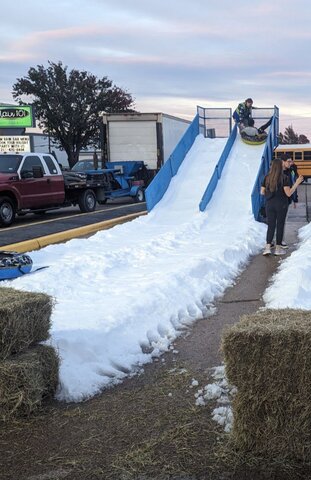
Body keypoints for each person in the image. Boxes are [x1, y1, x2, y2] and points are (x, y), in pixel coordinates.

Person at [260, 158, 304, 256]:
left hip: (269, 205)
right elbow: (288, 194)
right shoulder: (284, 178)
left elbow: (262, 192)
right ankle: (278, 249)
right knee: (280, 225)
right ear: (280, 167)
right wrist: (296, 183)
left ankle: (267, 248)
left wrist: (270, 191)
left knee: (271, 226)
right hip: (281, 205)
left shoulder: (267, 177)